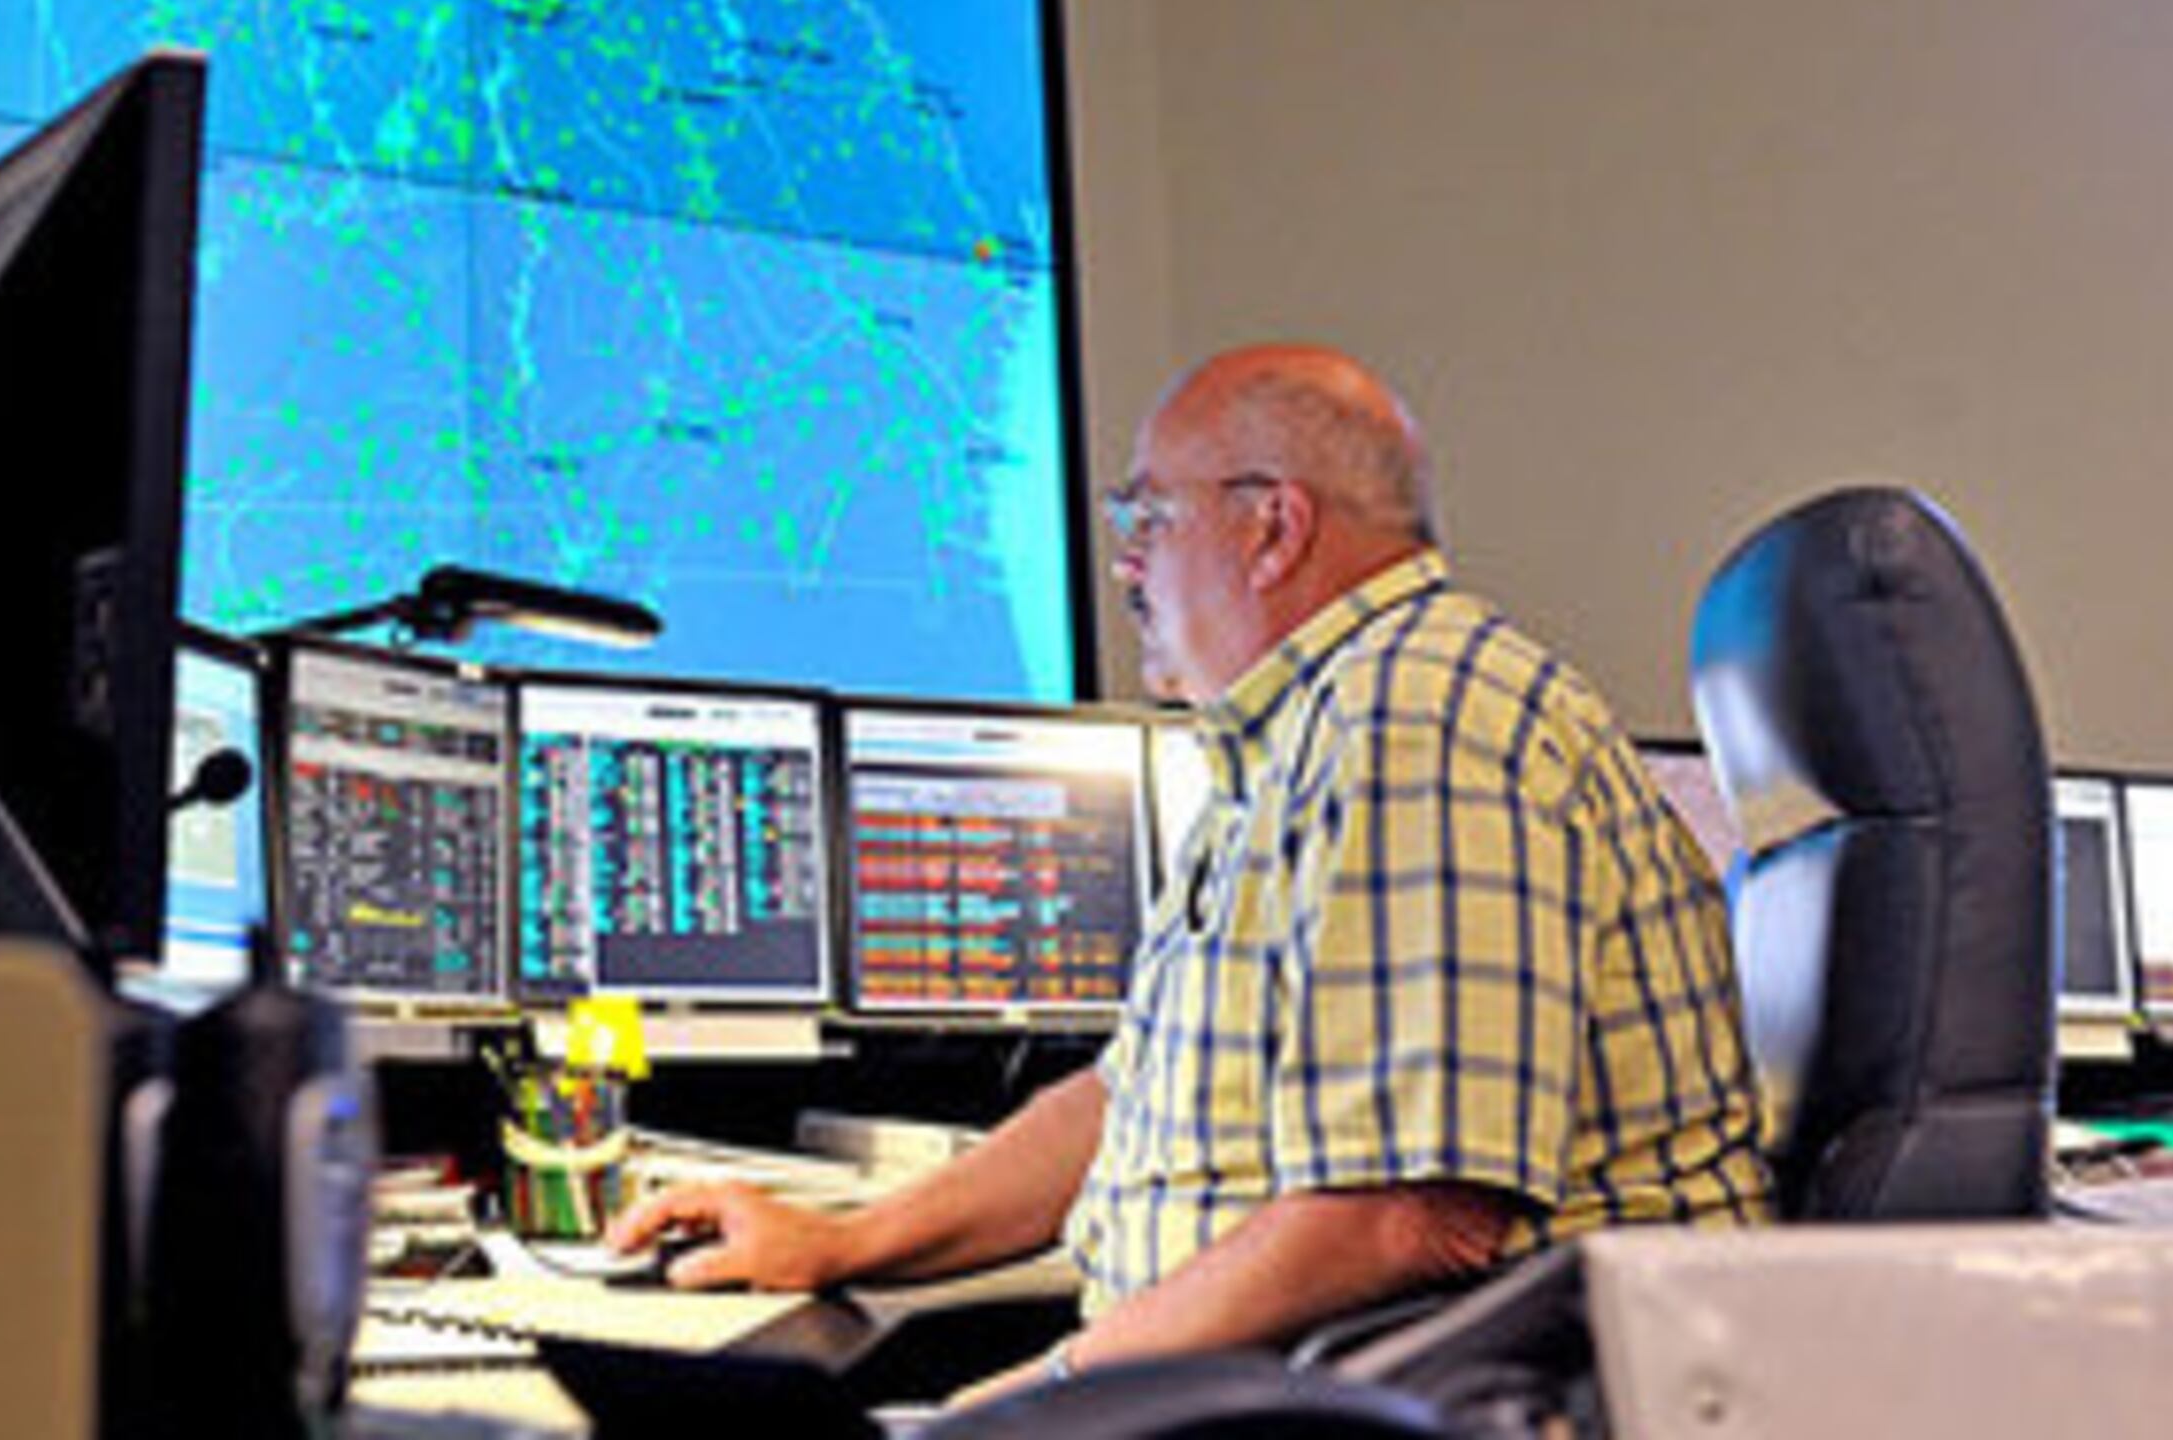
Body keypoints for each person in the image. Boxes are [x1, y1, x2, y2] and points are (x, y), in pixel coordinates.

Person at [605, 343, 1772, 1401]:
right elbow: (1124, 1103)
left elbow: (1407, 1218)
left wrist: (1034, 1405)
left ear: (1272, 528)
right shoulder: (1295, 742)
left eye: (1147, 515)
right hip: (1310, 1385)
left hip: (1425, 1397)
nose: (1125, 562)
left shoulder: (1416, 722)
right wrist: (841, 1242)